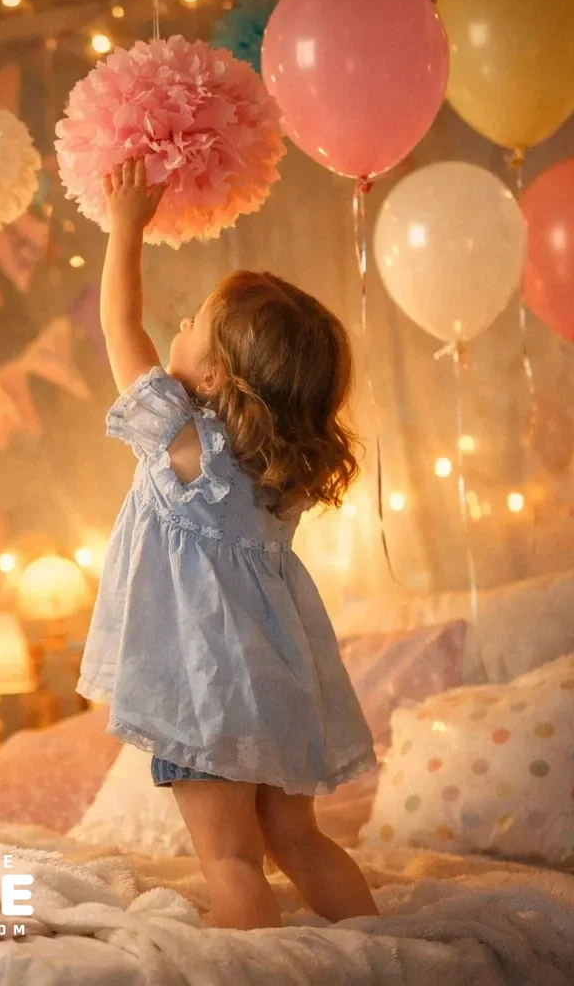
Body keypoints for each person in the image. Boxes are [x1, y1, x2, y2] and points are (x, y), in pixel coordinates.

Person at [79, 159, 379, 930]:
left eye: (189, 324)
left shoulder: (187, 447)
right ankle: (379, 944)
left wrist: (126, 226)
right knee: (299, 841)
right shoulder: (282, 473)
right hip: (282, 690)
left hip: (207, 690)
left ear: (213, 376)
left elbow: (118, 325)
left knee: (231, 860)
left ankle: (247, 961)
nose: (173, 330)